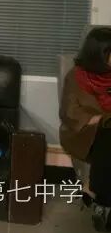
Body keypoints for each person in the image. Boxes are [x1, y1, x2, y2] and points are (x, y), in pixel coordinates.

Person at [60, 26, 111, 232]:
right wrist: (99, 118)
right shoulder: (76, 76)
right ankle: (103, 201)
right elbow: (69, 113)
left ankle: (95, 194)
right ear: (100, 53)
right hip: (84, 133)